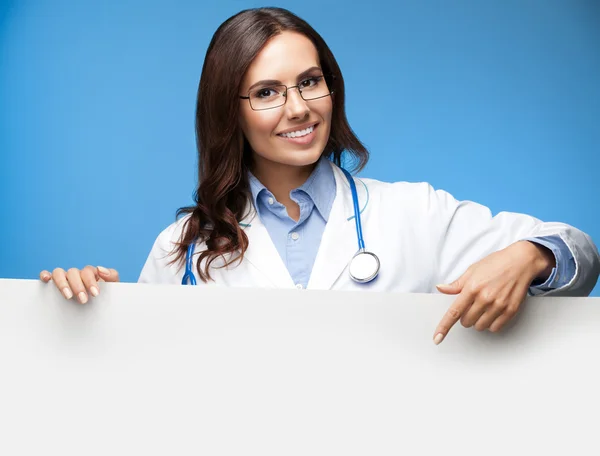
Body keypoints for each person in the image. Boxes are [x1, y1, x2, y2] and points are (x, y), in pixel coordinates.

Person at [40, 7, 600, 345]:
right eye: (266, 93)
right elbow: (138, 376)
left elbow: (581, 255)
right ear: (228, 110)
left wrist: (531, 256)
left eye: (311, 81)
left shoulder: (414, 213)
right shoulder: (181, 251)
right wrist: (86, 308)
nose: (299, 107)